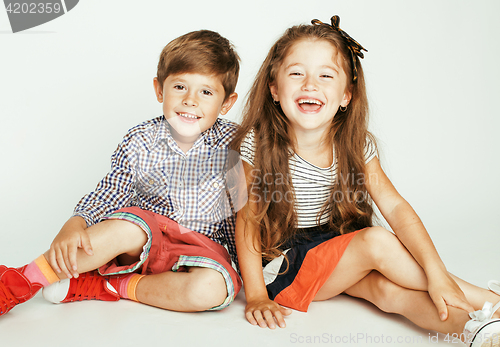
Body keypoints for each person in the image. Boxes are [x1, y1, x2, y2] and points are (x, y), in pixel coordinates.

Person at [231, 16, 500, 346]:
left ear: (346, 95)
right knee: (376, 241)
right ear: (274, 88)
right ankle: (489, 299)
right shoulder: (257, 144)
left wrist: (436, 272)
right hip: (285, 267)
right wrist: (256, 294)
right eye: (297, 73)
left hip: (336, 251)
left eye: (325, 75)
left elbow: (396, 208)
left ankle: (478, 331)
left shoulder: (355, 143)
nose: (310, 84)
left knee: (387, 292)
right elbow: (247, 221)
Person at [0, 29, 242, 316]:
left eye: (206, 91)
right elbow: (113, 190)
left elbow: (240, 214)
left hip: (199, 251)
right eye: (180, 87)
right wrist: (77, 221)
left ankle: (112, 286)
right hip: (144, 242)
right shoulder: (141, 139)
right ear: (159, 89)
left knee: (212, 289)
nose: (190, 100)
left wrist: (249, 271)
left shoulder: (234, 145)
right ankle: (21, 280)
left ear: (226, 102)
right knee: (128, 226)